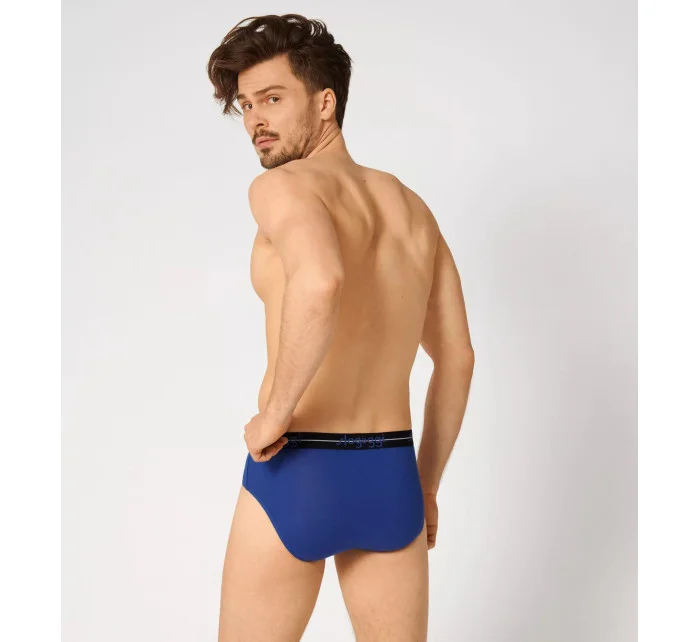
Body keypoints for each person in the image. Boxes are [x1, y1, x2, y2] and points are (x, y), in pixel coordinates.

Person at [207, 13, 475, 642]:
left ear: (325, 103)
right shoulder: (412, 208)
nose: (255, 120)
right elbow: (458, 357)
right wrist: (426, 487)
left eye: (273, 99)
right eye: (246, 104)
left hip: (297, 467)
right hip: (391, 475)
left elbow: (320, 279)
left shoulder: (282, 188)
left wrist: (275, 413)